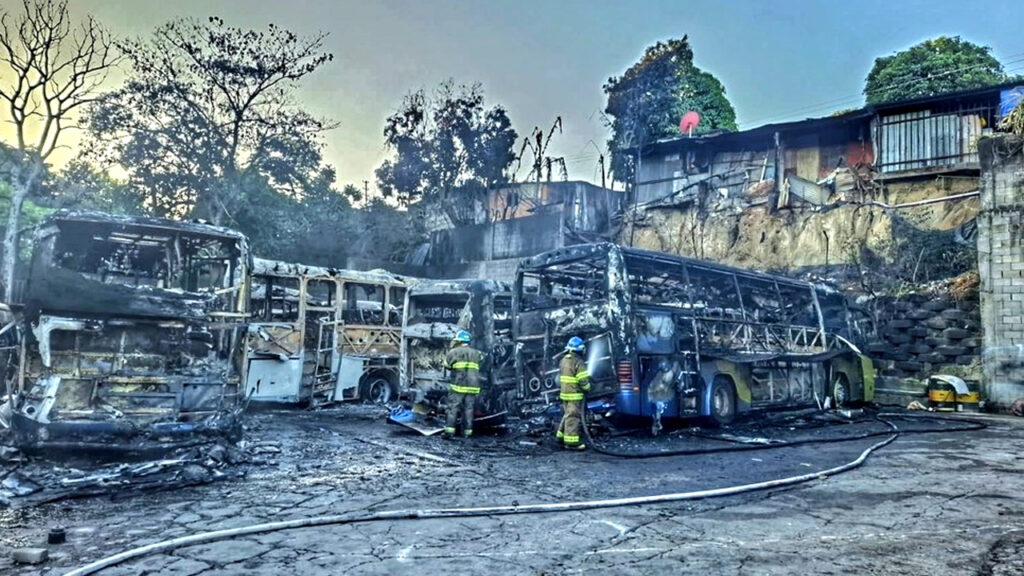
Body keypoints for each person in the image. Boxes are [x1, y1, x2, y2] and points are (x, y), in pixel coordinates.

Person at [443, 330, 485, 439]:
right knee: (469, 409)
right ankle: (467, 433)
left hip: (458, 386)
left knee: (453, 408)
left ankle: (449, 432)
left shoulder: (453, 352)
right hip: (472, 387)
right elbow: (482, 362)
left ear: (459, 341)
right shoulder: (477, 353)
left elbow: (447, 366)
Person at [556, 336, 590, 451]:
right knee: (573, 417)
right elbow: (582, 380)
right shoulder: (578, 362)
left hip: (564, 393)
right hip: (574, 394)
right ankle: (571, 443)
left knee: (567, 414)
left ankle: (560, 435)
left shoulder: (563, 360)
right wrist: (588, 387)